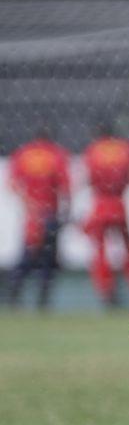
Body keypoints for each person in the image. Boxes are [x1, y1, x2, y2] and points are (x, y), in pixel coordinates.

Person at [83, 122, 129, 307]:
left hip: (100, 204)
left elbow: (89, 179)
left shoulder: (93, 151)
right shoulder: (125, 149)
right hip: (119, 204)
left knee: (100, 250)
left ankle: (106, 291)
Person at [6, 128, 71, 311]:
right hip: (50, 214)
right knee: (48, 260)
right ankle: (42, 300)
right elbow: (66, 186)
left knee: (27, 256)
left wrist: (28, 203)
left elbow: (12, 184)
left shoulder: (23, 154)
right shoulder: (56, 155)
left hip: (32, 216)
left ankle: (13, 294)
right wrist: (66, 211)